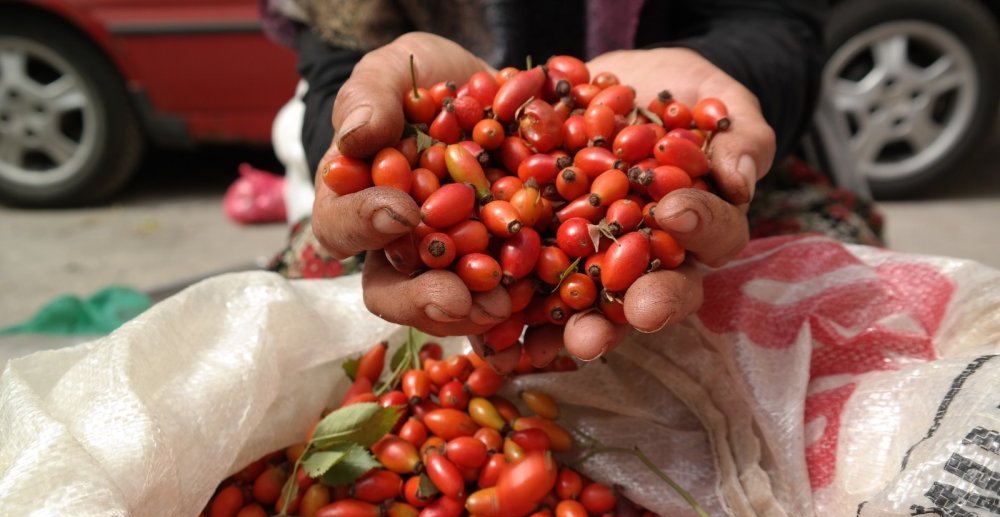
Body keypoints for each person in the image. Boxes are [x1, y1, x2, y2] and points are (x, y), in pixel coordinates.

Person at [261, 0, 882, 368]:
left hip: (722, 170)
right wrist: (363, 131)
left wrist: (728, 75)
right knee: (306, 305)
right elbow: (337, 72)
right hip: (486, 211)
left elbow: (777, 22)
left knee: (833, 297)